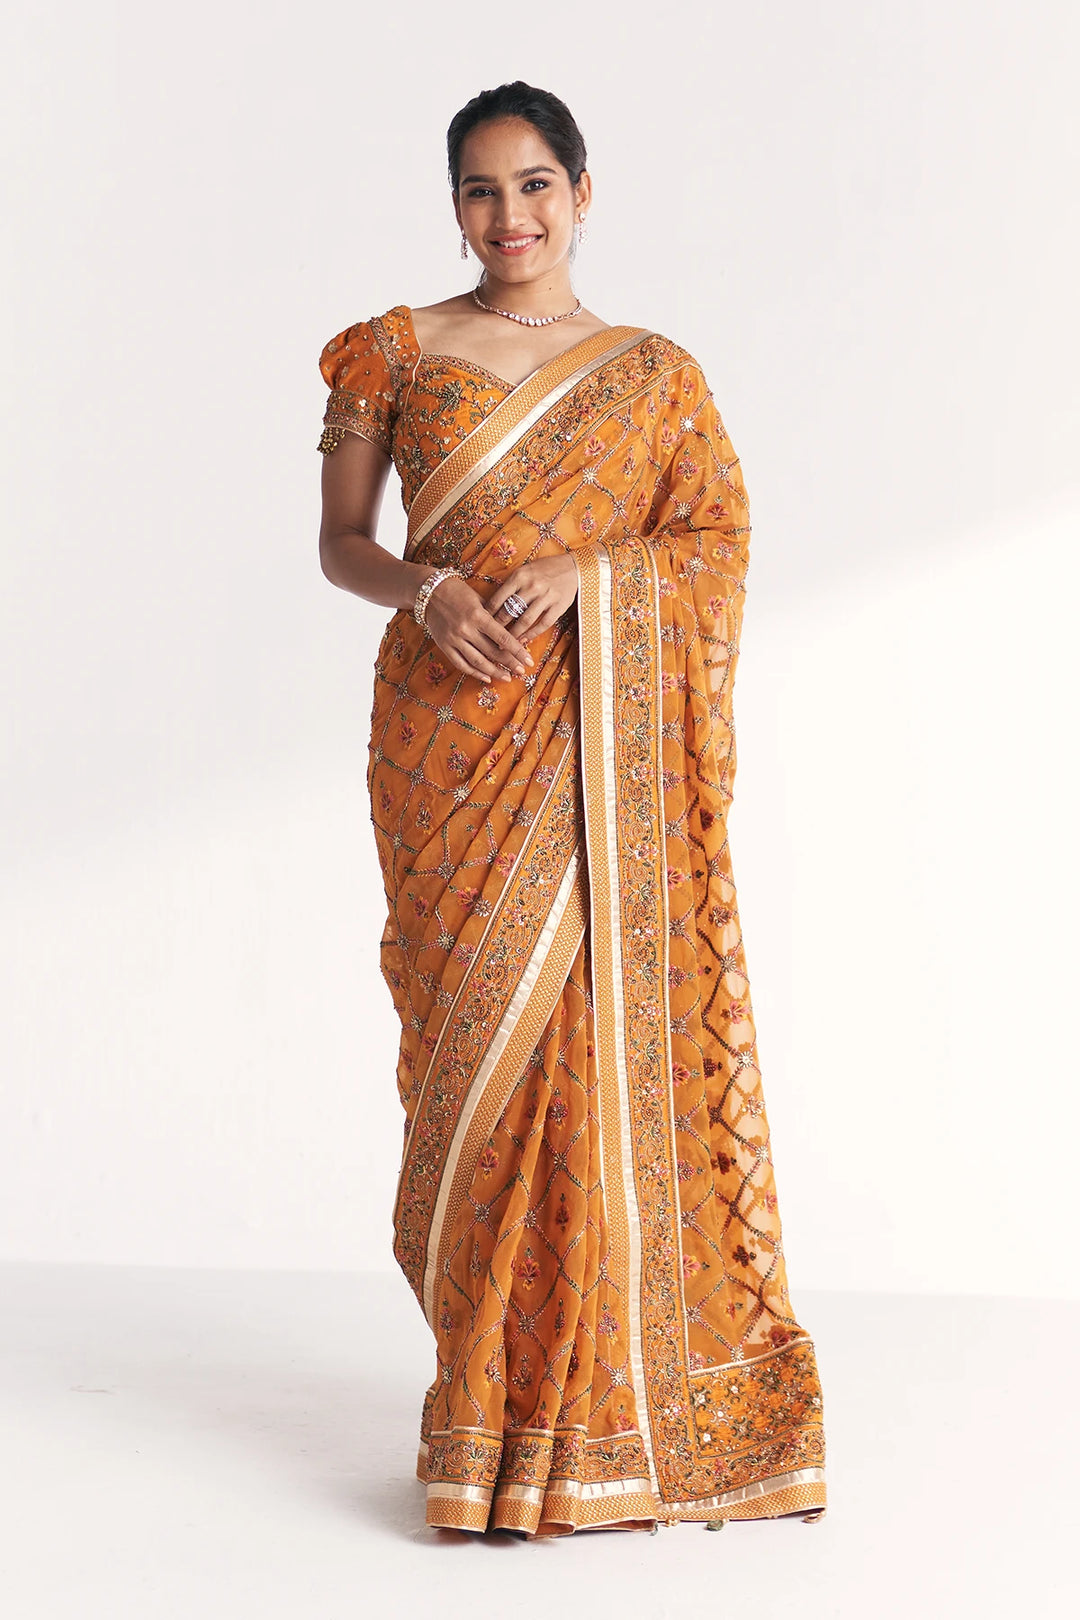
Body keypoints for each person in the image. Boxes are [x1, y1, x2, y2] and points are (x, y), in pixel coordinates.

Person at [316, 80, 827, 1538]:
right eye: (480, 192)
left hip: (595, 748)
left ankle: (579, 1425)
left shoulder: (655, 375)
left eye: (535, 185)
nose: (510, 218)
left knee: (587, 1056)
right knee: (469, 1077)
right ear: (454, 208)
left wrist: (596, 576)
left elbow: (710, 536)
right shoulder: (392, 351)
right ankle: (487, 1413)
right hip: (448, 747)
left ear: (583, 192)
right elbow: (342, 544)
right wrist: (429, 584)